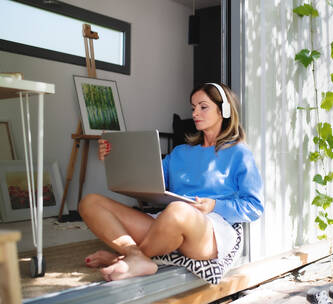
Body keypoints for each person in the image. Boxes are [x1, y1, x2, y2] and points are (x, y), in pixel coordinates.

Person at [79, 82, 264, 281]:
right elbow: (147, 177)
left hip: (207, 231)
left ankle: (125, 258)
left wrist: (214, 205)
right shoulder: (180, 153)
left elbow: (254, 207)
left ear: (223, 111)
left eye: (203, 107)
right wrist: (113, 155)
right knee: (90, 202)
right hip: (167, 225)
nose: (195, 113)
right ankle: (135, 256)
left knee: (179, 210)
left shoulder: (239, 153)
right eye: (193, 108)